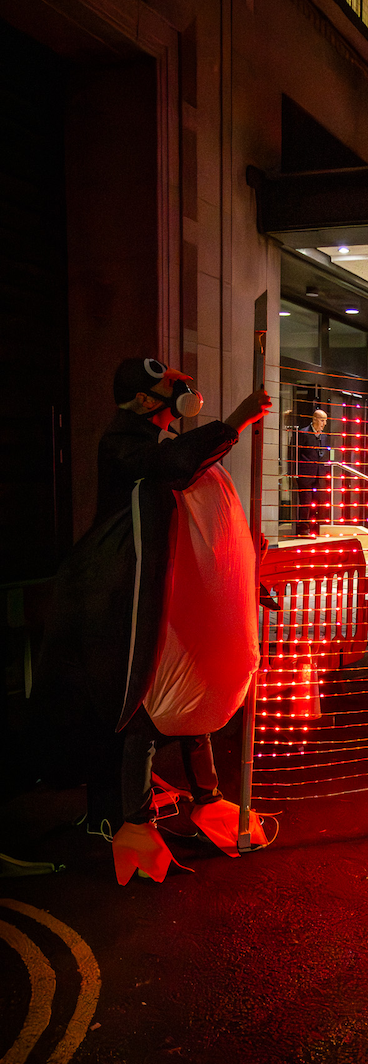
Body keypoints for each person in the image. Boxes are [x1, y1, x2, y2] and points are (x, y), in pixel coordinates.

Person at [32, 357, 274, 881]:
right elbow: (174, 468)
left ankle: (206, 800)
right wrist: (233, 422)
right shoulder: (126, 447)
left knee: (192, 696)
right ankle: (132, 821)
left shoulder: (160, 450)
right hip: (123, 600)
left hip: (163, 596)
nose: (179, 397)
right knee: (143, 704)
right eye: (168, 390)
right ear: (145, 402)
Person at [293, 406, 330, 536]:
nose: (324, 424)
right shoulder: (303, 433)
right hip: (305, 474)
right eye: (322, 420)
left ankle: (315, 528)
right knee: (305, 503)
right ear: (314, 419)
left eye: (325, 420)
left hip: (319, 474)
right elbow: (295, 453)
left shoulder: (324, 436)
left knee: (318, 502)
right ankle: (303, 528)